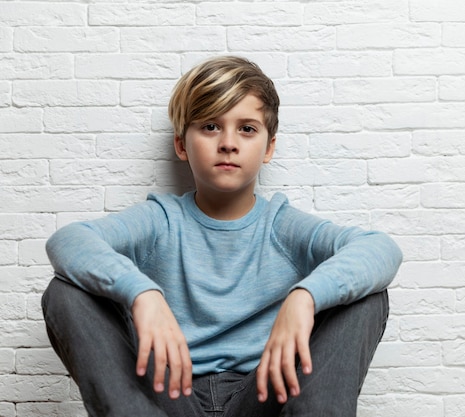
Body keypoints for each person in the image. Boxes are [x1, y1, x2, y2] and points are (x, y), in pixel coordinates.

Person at [42, 55, 403, 417]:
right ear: (182, 145)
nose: (228, 143)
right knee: (66, 292)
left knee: (365, 295)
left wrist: (305, 296)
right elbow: (70, 241)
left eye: (246, 129)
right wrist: (142, 293)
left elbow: (380, 249)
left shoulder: (281, 226)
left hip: (265, 393)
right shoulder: (160, 220)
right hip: (168, 398)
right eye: (211, 126)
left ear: (269, 147)